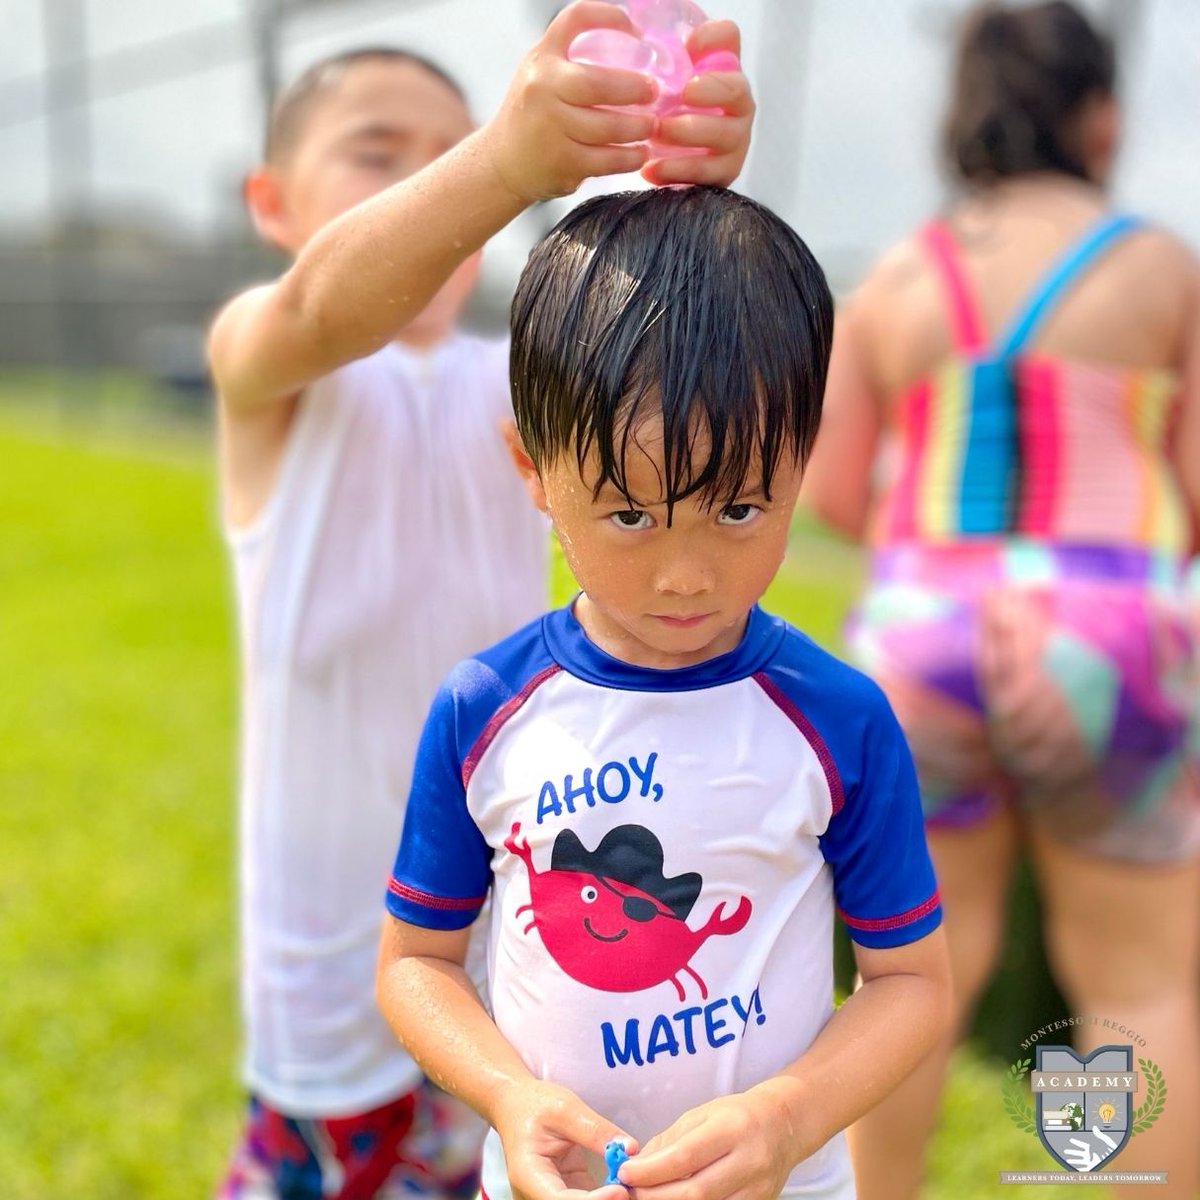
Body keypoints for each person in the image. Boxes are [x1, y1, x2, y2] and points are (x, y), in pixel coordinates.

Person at [206, 4, 754, 1197]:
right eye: (379, 150)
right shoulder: (271, 368)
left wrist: (684, 185)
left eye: (457, 149)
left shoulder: (514, 391)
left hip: (513, 976)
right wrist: (502, 161)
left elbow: (656, 357)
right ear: (271, 201)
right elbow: (318, 309)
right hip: (332, 1004)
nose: (440, 180)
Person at [375, 177, 953, 1200]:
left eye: (737, 508)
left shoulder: (841, 721)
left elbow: (910, 983)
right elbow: (415, 965)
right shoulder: (483, 711)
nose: (685, 574)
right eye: (630, 517)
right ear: (533, 467)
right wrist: (511, 1097)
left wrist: (785, 1119)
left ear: (801, 460)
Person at [801, 3, 1200, 1196]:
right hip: (1112, 627)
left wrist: (941, 565)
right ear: (1102, 115)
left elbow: (828, 488)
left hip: (923, 632)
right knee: (1135, 981)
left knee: (917, 973)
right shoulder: (1159, 267)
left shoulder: (894, 280)